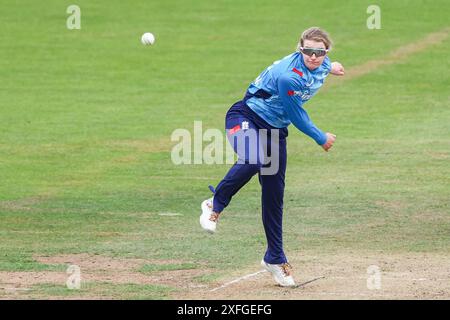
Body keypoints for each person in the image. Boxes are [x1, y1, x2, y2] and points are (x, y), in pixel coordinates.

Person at [200, 27, 345, 287]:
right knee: (253, 159)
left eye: (319, 52)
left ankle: (275, 259)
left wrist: (332, 67)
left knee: (274, 195)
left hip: (275, 131)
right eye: (308, 51)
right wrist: (320, 137)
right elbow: (297, 115)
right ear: (299, 49)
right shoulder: (289, 77)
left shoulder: (321, 64)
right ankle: (215, 204)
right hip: (246, 117)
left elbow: (324, 67)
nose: (313, 57)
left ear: (326, 52)